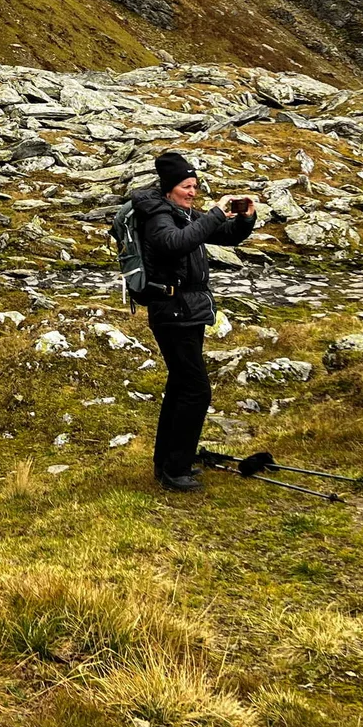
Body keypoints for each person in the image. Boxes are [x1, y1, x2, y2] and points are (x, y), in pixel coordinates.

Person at [131, 150, 257, 492]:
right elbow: (175, 244)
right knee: (196, 390)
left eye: (196, 186)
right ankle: (176, 470)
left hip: (187, 310)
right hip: (171, 311)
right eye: (187, 186)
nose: (193, 192)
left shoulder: (181, 212)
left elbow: (225, 236)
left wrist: (244, 218)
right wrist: (215, 212)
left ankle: (167, 464)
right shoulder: (158, 215)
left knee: (180, 386)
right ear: (171, 187)